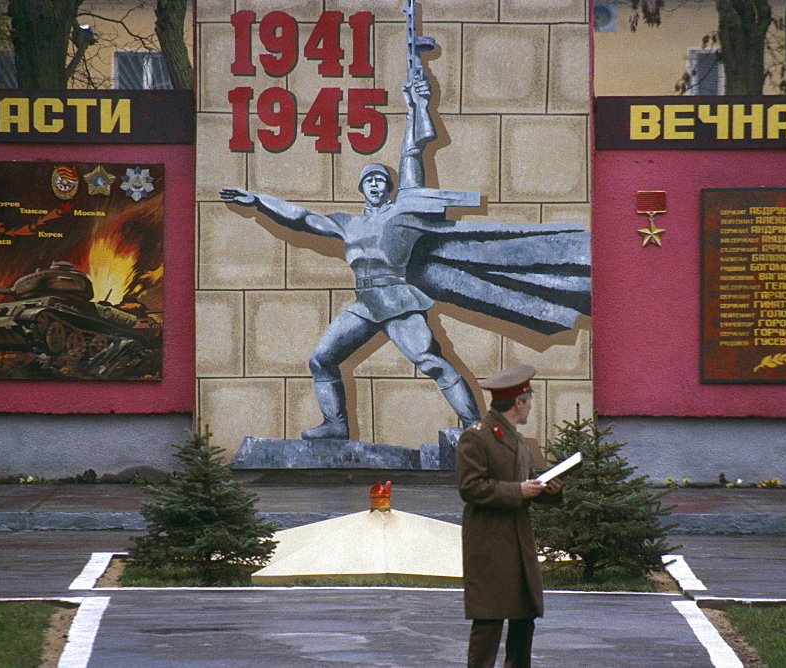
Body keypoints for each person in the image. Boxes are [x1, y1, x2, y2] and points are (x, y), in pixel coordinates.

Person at [220, 76, 481, 440]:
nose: (374, 185)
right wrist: (261, 201)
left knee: (431, 362)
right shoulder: (347, 224)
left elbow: (411, 154)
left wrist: (416, 107)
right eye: (368, 181)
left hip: (398, 298)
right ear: (361, 189)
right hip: (365, 302)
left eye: (380, 180)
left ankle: (474, 425)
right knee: (321, 359)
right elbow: (302, 218)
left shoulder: (401, 213)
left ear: (389, 189)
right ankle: (335, 425)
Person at [456, 364, 562, 668]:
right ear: (518, 402)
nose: (530, 407)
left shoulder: (515, 438)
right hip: (489, 544)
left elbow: (527, 482)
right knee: (488, 625)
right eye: (529, 400)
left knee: (523, 621)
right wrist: (518, 491)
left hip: (518, 544)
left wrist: (548, 489)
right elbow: (470, 487)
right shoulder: (476, 437)